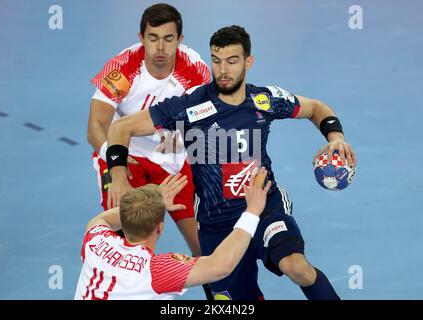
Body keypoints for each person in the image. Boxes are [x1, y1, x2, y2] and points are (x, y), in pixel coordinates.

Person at [105, 25, 357, 300]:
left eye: (232, 61)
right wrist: (118, 176)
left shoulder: (265, 100)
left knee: (296, 267)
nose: (223, 70)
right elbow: (121, 128)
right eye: (216, 60)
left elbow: (315, 108)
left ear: (248, 62)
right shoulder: (189, 106)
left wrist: (336, 137)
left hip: (263, 207)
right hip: (216, 223)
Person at [87, 3, 210, 262]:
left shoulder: (195, 71)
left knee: (205, 249)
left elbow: (208, 123)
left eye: (168, 39)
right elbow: (95, 128)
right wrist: (117, 169)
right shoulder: (122, 69)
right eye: (153, 39)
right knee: (125, 245)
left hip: (172, 159)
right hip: (126, 158)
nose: (161, 48)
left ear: (180, 40)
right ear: (141, 38)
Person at [75, 168, 271, 300]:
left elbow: (100, 220)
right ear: (159, 227)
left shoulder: (97, 242)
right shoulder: (155, 270)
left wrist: (151, 203)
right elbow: (220, 266)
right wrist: (252, 211)